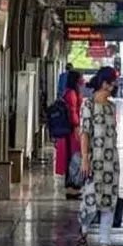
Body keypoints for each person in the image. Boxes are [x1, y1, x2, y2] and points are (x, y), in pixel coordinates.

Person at [77, 66, 120, 246]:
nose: (115, 85)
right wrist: (85, 159)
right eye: (113, 81)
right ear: (105, 83)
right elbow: (84, 134)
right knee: (90, 200)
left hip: (111, 162)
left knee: (109, 202)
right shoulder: (88, 105)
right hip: (95, 161)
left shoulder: (112, 107)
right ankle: (84, 231)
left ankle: (105, 243)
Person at [54, 70, 84, 199]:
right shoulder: (71, 94)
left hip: (70, 131)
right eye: (81, 78)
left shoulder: (68, 92)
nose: (83, 80)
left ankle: (72, 187)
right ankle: (72, 188)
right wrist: (77, 126)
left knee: (71, 159)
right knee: (74, 159)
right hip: (71, 132)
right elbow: (72, 113)